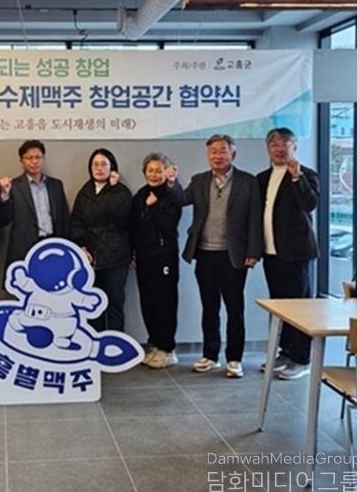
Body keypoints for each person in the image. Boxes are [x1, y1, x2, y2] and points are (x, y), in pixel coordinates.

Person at [171, 134, 262, 378]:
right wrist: (171, 183)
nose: (217, 156)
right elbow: (181, 200)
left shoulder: (247, 181)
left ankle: (234, 359)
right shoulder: (199, 180)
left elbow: (255, 218)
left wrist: (254, 251)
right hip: (205, 253)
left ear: (233, 154)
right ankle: (210, 355)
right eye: (213, 151)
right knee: (209, 307)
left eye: (222, 151)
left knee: (234, 309)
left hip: (234, 255)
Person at [258, 127, 319, 380]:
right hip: (271, 252)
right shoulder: (262, 178)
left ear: (295, 147)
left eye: (285, 144)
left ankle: (302, 359)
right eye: (274, 144)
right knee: (280, 305)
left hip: (297, 253)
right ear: (268, 149)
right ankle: (285, 352)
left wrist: (297, 178)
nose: (279, 149)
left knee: (301, 307)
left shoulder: (306, 174)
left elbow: (309, 203)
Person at [69, 148, 132, 332]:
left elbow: (122, 218)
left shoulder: (121, 191)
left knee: (114, 303)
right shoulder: (85, 191)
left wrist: (112, 189)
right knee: (92, 306)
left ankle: (115, 345)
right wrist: (81, 247)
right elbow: (76, 221)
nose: (99, 168)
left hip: (116, 258)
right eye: (95, 164)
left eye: (104, 164)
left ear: (112, 167)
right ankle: (95, 345)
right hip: (90, 258)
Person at [130, 153, 182, 369]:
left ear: (166, 172)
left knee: (165, 301)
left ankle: (168, 349)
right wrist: (133, 254)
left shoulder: (172, 194)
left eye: (158, 170)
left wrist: (153, 207)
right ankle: (155, 344)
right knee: (148, 302)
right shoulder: (140, 195)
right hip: (144, 257)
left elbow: (168, 226)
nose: (154, 174)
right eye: (150, 170)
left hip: (164, 256)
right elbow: (134, 226)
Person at [0, 139, 70, 266]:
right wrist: (4, 195)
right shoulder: (13, 186)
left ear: (43, 159)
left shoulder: (56, 185)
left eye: (38, 157)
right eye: (29, 158)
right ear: (21, 161)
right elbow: (4, 219)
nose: (34, 161)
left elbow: (65, 218)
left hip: (53, 245)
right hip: (25, 248)